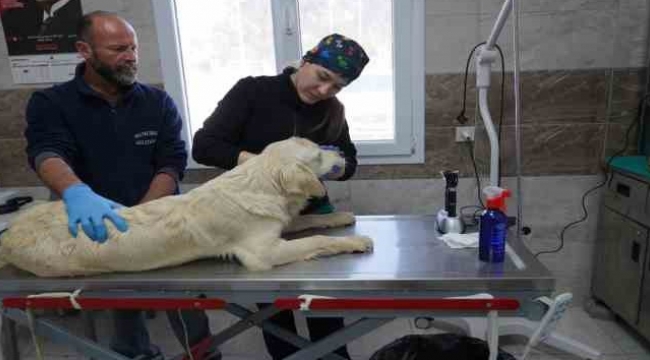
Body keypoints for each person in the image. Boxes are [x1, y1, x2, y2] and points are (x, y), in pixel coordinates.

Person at [24, 11, 219, 360]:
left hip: (160, 220)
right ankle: (135, 355)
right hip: (99, 226)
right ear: (85, 50)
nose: (130, 56)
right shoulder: (52, 103)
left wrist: (143, 214)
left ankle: (203, 356)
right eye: (118, 49)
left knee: (187, 303)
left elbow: (172, 161)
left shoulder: (157, 102)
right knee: (122, 306)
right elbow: (47, 152)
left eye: (134, 47)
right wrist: (76, 193)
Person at [192, 33, 369, 360]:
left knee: (325, 308)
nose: (324, 91)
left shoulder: (333, 110)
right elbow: (204, 145)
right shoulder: (254, 92)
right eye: (323, 77)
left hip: (314, 211)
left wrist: (334, 168)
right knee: (275, 312)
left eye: (337, 87)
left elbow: (350, 161)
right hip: (259, 215)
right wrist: (264, 164)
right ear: (306, 60)